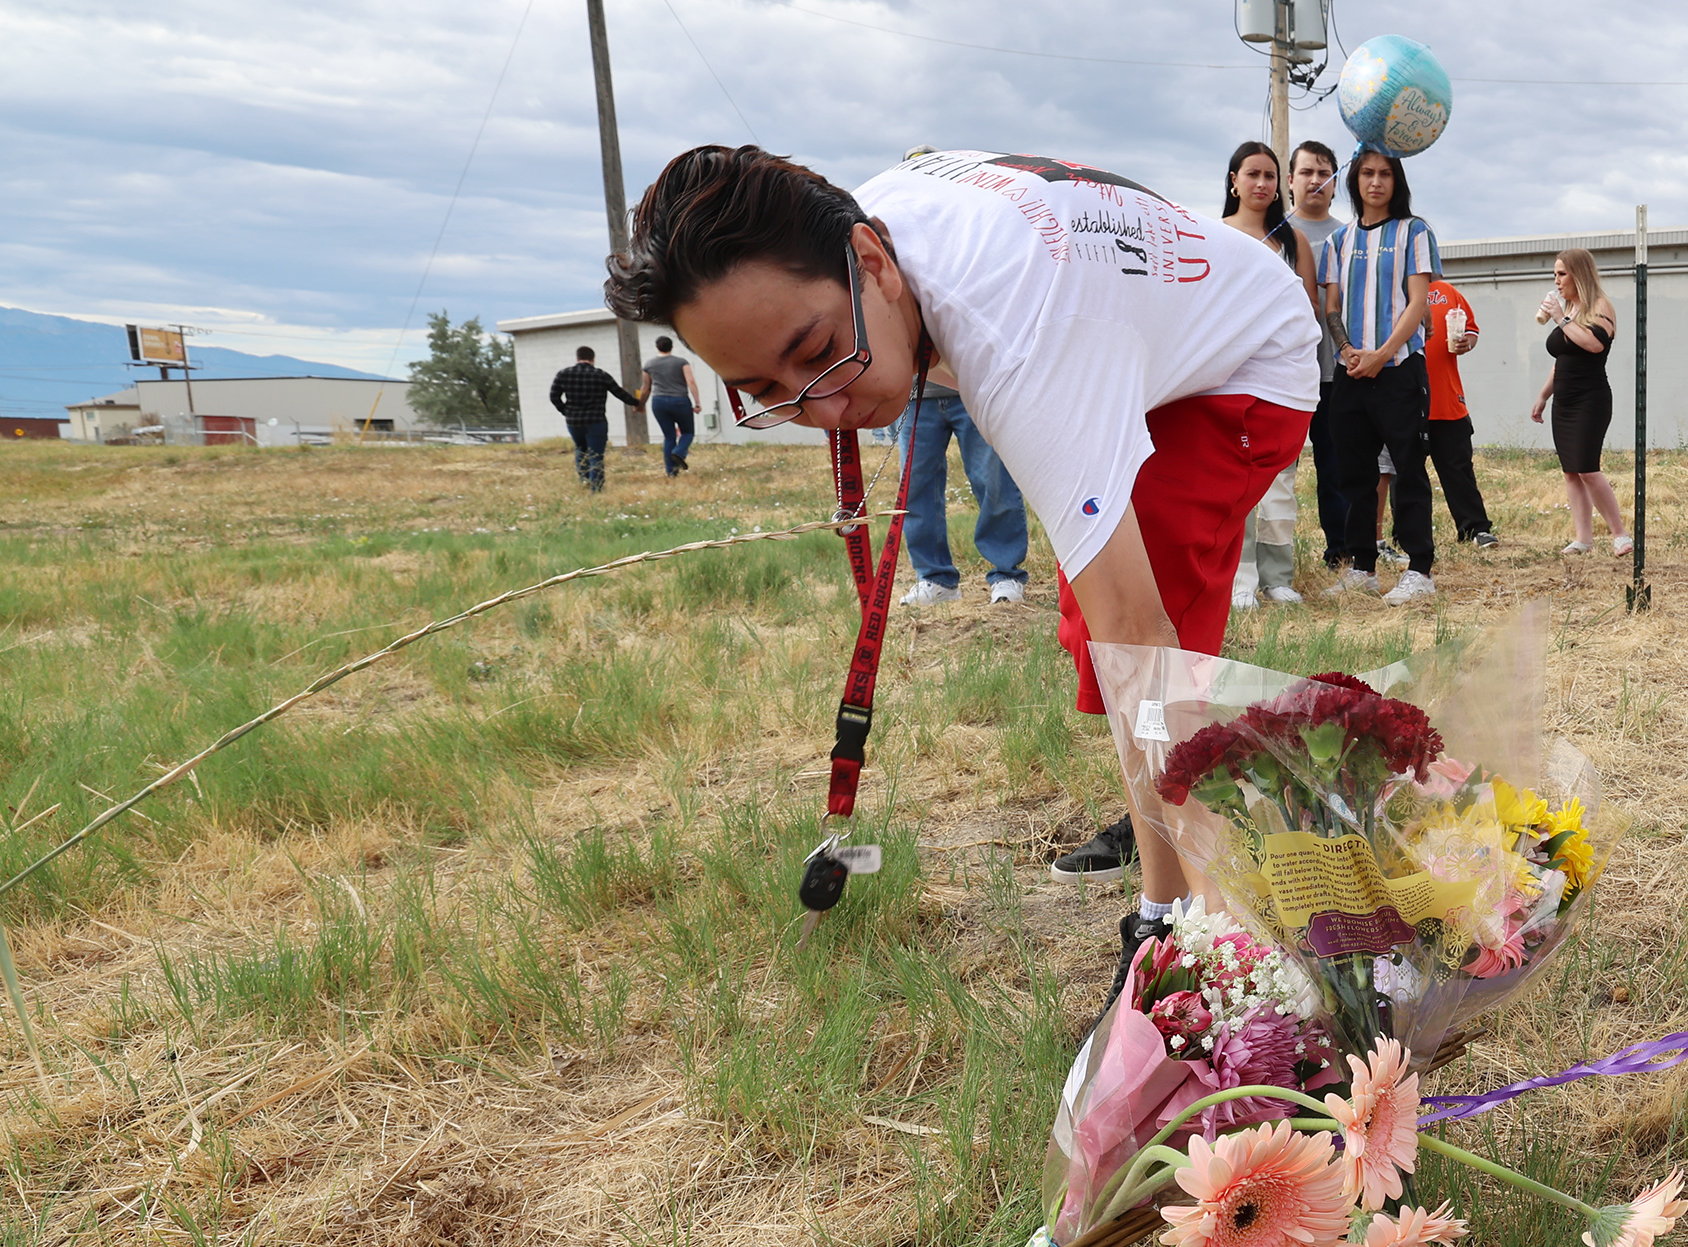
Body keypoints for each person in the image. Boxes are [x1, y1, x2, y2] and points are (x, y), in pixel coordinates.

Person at [606, 143, 1318, 969]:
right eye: (765, 391)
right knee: (1100, 634)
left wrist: (1161, 925)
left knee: (1141, 640)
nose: (826, 408)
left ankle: (1182, 913)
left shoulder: (1021, 334)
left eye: (817, 351)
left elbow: (1142, 637)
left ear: (872, 263)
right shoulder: (844, 230)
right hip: (1116, 315)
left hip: (1243, 361)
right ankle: (1181, 808)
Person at [1314, 147, 1441, 605]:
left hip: (1399, 369)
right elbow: (1331, 308)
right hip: (1351, 373)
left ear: (1397, 180)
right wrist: (1348, 352)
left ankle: (1419, 569)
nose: (1375, 181)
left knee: (1408, 468)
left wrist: (1382, 353)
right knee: (1355, 474)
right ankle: (1362, 567)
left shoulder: (1414, 231)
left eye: (1385, 173)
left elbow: (1418, 303)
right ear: (1355, 181)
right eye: (1367, 173)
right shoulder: (1338, 242)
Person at [1219, 140, 1315, 608]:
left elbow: (1308, 312)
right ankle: (1238, 581)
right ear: (1233, 181)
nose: (1262, 183)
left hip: (1282, 383)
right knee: (1235, 484)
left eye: (1270, 176)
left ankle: (1277, 577)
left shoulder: (1292, 242)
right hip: (1229, 380)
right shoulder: (1213, 234)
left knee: (1279, 484)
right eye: (1252, 174)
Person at [897, 365, 1033, 608]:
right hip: (916, 392)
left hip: (978, 388)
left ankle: (1006, 574)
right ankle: (934, 578)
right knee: (914, 490)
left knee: (994, 483)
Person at [1530, 246, 1628, 554]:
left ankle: (1620, 534)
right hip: (1565, 399)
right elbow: (1562, 359)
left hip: (1591, 397)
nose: (1556, 281)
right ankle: (1584, 538)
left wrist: (1560, 318)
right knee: (1571, 470)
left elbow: (1595, 344)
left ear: (1579, 274)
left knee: (1587, 467)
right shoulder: (1570, 309)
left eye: (1562, 273)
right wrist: (1544, 395)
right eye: (1554, 274)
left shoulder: (1599, 305)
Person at [1289, 139, 1352, 569]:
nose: (1316, 180)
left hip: (1337, 374)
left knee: (1338, 469)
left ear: (1335, 184)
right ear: (1290, 181)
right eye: (1307, 172)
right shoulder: (1275, 234)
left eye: (1324, 173)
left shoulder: (1352, 235)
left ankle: (1342, 552)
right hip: (1284, 375)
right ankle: (1269, 561)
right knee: (1275, 474)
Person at [1418, 274, 1498, 549]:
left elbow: (1471, 330)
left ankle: (1474, 528)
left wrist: (1467, 342)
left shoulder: (1447, 291)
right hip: (1405, 400)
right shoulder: (1393, 290)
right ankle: (1409, 534)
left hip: (1447, 398)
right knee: (1406, 473)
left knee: (1458, 468)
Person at [547, 345, 640, 489]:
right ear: (593, 359)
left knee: (580, 449)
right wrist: (636, 403)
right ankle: (596, 487)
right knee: (596, 454)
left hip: (574, 421)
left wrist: (565, 411)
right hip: (596, 421)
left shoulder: (564, 374)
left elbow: (553, 396)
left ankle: (584, 479)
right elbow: (619, 393)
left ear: (577, 358)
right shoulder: (601, 375)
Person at [641, 334, 700, 476]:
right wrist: (697, 402)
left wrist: (639, 404)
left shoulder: (648, 365)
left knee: (669, 437)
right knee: (687, 432)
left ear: (657, 347)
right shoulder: (681, 362)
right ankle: (679, 452)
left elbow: (645, 387)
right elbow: (690, 382)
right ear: (671, 347)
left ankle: (671, 472)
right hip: (680, 401)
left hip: (659, 402)